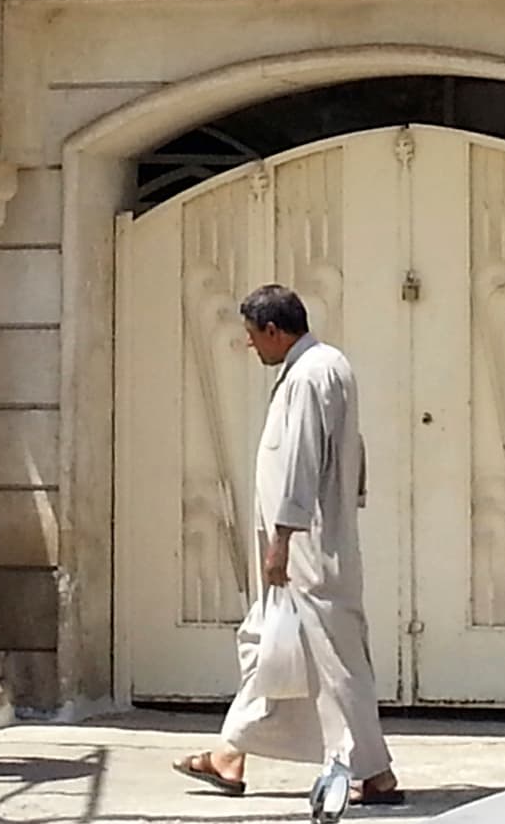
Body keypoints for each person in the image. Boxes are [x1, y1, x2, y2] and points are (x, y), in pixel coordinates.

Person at [173, 284, 402, 804]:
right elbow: (353, 451)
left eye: (254, 337)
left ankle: (374, 772)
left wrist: (284, 537)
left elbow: (300, 460)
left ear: (274, 331)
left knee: (327, 658)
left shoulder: (308, 375)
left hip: (306, 545)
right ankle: (232, 754)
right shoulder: (329, 365)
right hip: (318, 538)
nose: (252, 347)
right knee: (275, 646)